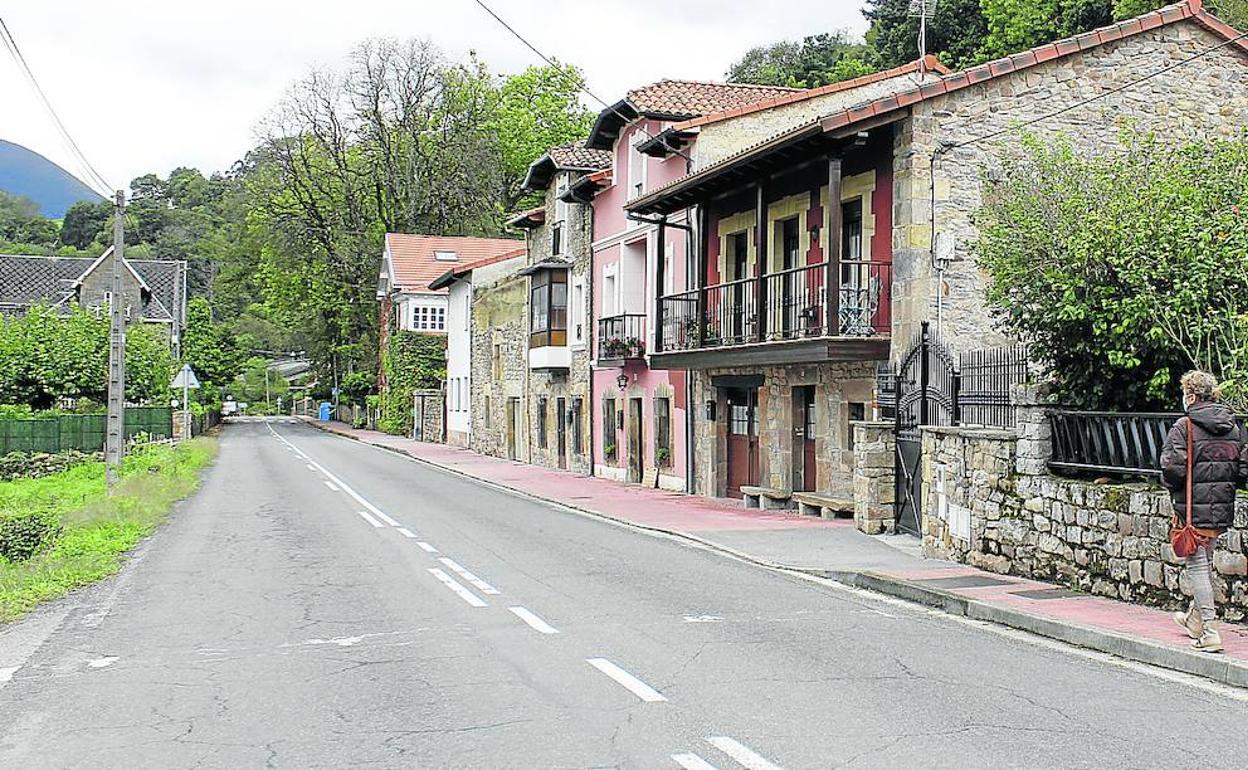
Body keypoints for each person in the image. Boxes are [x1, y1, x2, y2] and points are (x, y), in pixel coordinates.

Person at [1160, 371, 1248, 653]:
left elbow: (1171, 468)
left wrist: (1172, 486)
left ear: (1192, 396)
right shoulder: (1234, 428)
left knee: (1197, 567)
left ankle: (1209, 630)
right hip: (1221, 508)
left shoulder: (1184, 426)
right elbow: (1243, 469)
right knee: (1205, 560)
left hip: (1191, 509)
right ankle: (1194, 620)